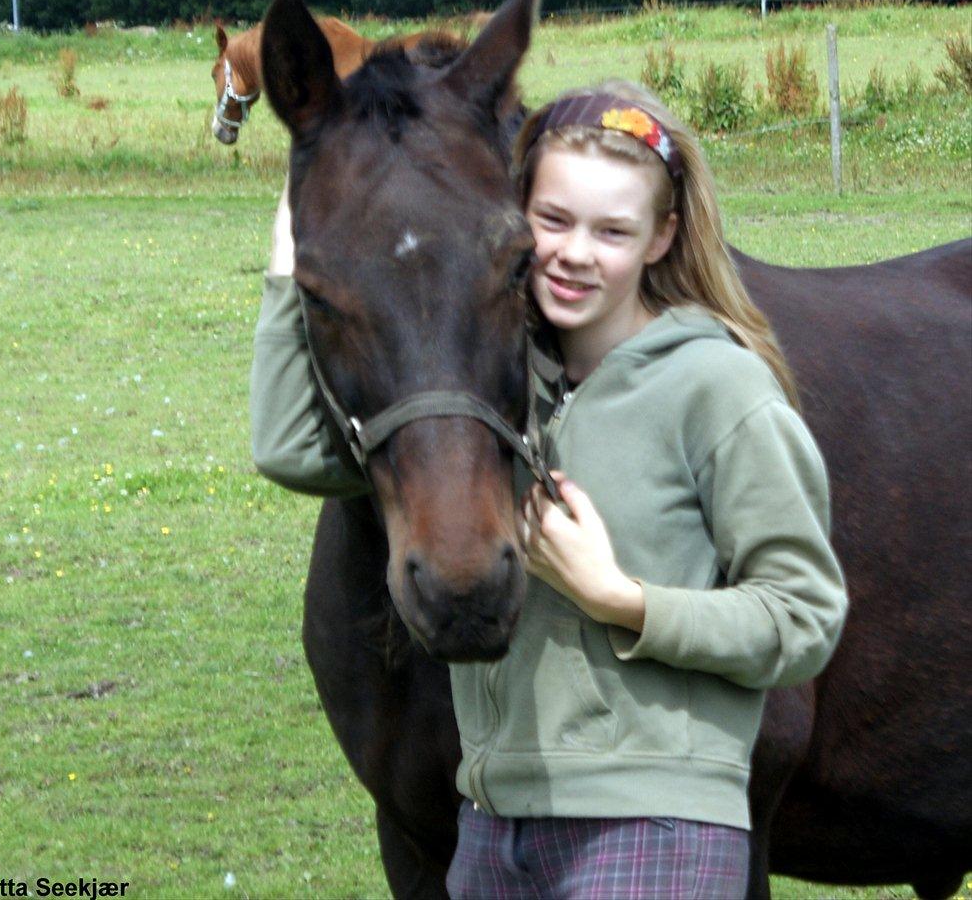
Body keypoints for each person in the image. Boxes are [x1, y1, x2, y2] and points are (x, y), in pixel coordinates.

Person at [250, 77, 848, 899]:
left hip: (656, 826)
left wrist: (623, 599)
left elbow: (804, 616)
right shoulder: (494, 399)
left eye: (612, 230)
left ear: (662, 236)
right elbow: (288, 447)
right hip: (498, 826)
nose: (573, 251)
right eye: (554, 220)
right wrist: (296, 247)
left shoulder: (718, 385)